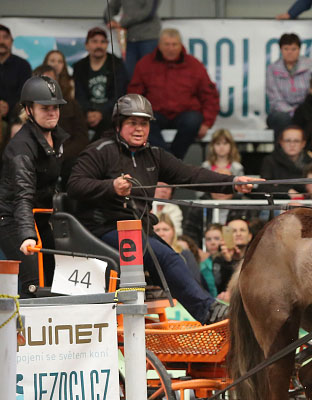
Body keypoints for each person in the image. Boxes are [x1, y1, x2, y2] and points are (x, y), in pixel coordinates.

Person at [67, 94, 261, 324]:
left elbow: (191, 174)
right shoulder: (100, 150)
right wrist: (111, 186)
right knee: (166, 258)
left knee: (175, 259)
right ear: (118, 125)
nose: (139, 129)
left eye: (144, 123)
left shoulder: (153, 155)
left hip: (138, 230)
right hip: (102, 229)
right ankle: (209, 311)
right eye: (132, 123)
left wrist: (232, 182)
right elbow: (74, 185)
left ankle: (211, 314)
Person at [0, 77, 68, 296]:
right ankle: (21, 331)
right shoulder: (21, 147)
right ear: (29, 110)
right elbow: (22, 196)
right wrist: (27, 235)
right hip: (11, 217)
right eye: (45, 108)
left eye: (55, 107)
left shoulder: (56, 138)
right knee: (33, 281)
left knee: (57, 275)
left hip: (38, 215)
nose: (52, 113)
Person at [128, 28, 220, 160]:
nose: (170, 48)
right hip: (156, 114)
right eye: (167, 44)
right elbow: (135, 94)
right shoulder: (145, 64)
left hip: (185, 114)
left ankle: (169, 162)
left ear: (180, 45)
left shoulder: (194, 65)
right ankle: (172, 162)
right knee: (144, 121)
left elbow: (209, 95)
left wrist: (207, 122)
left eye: (174, 44)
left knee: (194, 120)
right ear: (159, 45)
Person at [73, 27, 129, 139]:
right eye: (94, 41)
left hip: (110, 112)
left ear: (107, 44)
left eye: (103, 42)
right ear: (86, 45)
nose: (99, 45)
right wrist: (89, 112)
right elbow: (79, 95)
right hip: (86, 111)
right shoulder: (79, 66)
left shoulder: (117, 64)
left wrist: (101, 113)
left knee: (110, 123)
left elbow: (119, 95)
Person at [33, 65, 86, 183]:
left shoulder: (71, 104)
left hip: (66, 158)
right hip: (35, 157)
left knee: (76, 166)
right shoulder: (24, 107)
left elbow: (81, 139)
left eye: (50, 81)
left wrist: (61, 155)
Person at [265, 32, 312, 136]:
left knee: (308, 116)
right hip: (280, 112)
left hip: (304, 109)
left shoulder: (309, 65)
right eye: (286, 49)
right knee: (283, 118)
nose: (290, 52)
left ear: (299, 50)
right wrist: (292, 112)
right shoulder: (272, 69)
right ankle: (282, 150)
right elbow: (275, 98)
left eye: (294, 49)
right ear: (281, 50)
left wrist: (300, 111)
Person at [106, 0, 163, 79]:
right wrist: (109, 20)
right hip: (130, 39)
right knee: (129, 75)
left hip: (149, 38)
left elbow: (148, 12)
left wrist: (121, 23)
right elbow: (111, 7)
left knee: (150, 74)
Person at [260, 124, 312, 195]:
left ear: (303, 143)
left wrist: (278, 186)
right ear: (281, 142)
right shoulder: (269, 161)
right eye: (287, 141)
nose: (292, 145)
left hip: (307, 204)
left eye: (296, 141)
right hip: (278, 204)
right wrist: (287, 191)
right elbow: (263, 187)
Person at [154, 211, 203, 287]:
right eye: (157, 230)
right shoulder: (147, 255)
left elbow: (196, 282)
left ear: (173, 231)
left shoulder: (185, 255)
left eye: (165, 229)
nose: (161, 234)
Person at [0, 25, 32, 124]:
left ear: (11, 41)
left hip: (16, 117)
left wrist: (8, 105)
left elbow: (25, 93)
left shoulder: (23, 65)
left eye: (5, 37)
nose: (1, 41)